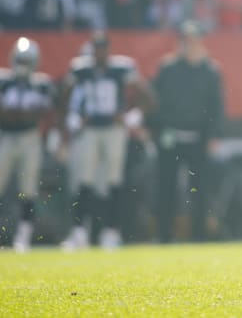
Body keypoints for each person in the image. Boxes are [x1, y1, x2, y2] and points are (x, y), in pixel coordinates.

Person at [60, 31, 155, 250]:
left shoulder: (120, 68)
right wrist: (72, 117)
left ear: (108, 49)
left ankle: (111, 232)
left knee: (114, 182)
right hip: (90, 129)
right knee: (84, 182)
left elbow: (146, 94)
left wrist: (134, 115)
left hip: (113, 129)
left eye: (103, 47)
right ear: (92, 49)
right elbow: (64, 95)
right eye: (97, 47)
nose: (100, 52)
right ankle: (80, 233)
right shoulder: (81, 69)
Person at [150, 20, 225, 243]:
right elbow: (155, 101)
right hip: (170, 136)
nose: (189, 45)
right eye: (185, 40)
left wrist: (214, 135)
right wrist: (152, 128)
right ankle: (164, 235)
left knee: (199, 189)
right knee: (166, 187)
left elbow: (216, 106)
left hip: (198, 137)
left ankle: (199, 236)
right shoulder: (168, 68)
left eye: (193, 40)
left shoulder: (210, 70)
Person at [0, 37, 55, 252]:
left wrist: (17, 115)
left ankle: (23, 238)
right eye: (20, 60)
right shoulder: (4, 81)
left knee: (28, 189)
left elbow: (45, 113)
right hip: (5, 136)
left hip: (30, 138)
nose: (23, 65)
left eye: (26, 60)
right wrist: (22, 115)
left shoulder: (41, 84)